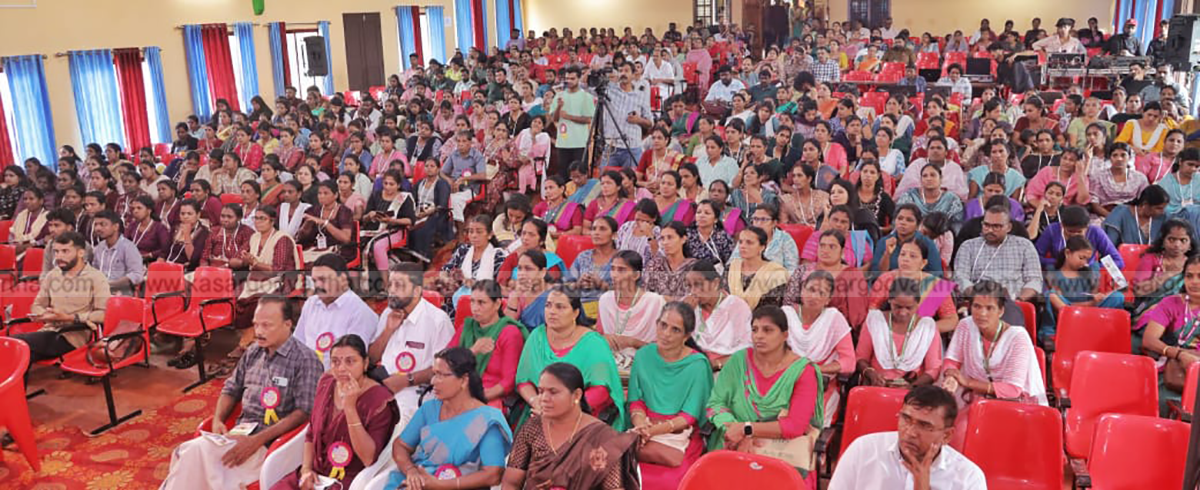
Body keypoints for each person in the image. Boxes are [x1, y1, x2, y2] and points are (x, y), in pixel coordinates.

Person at [160, 297, 322, 490]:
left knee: (211, 468)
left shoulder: (305, 360)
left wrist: (256, 441)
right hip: (238, 433)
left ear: (287, 324)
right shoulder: (253, 352)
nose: (258, 332)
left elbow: (304, 412)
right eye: (256, 325)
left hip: (270, 444)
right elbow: (231, 389)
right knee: (189, 453)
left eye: (266, 325)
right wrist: (218, 420)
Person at [705, 305, 823, 488]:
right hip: (731, 443)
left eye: (767, 330)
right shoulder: (738, 361)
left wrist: (746, 429)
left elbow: (795, 426)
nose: (759, 335)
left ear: (784, 335)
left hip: (780, 452)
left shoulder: (802, 371)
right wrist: (733, 431)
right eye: (755, 330)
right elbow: (716, 403)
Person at [265, 335, 400, 490]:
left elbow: (368, 458)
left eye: (350, 361)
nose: (341, 368)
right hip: (314, 474)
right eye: (335, 362)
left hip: (348, 481)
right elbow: (311, 432)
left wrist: (350, 408)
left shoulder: (380, 401)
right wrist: (306, 470)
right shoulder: (326, 382)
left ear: (365, 363)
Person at [372, 347, 513, 490]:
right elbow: (401, 445)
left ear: (464, 380)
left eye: (440, 375)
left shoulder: (487, 419)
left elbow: (493, 474)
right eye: (434, 374)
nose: (433, 381)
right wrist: (411, 471)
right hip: (420, 481)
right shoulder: (429, 408)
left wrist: (441, 485)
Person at [941, 281, 1048, 448]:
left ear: (1001, 311)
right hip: (972, 401)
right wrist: (951, 376)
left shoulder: (1017, 337)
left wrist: (968, 383)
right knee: (953, 435)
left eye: (989, 308)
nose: (982, 313)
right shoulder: (966, 325)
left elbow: (1012, 389)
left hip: (1010, 405)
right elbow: (952, 360)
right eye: (977, 306)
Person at [502, 362, 639, 490]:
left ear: (577, 395)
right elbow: (511, 483)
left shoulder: (603, 438)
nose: (544, 398)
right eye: (541, 391)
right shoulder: (533, 428)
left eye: (553, 392)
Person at [828, 386, 986, 490]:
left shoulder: (968, 478)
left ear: (946, 435)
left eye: (924, 426)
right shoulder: (864, 449)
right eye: (906, 419)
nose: (910, 432)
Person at [627, 302, 713, 490]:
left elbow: (689, 417)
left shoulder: (697, 365)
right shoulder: (643, 355)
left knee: (671, 482)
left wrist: (651, 432)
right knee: (617, 472)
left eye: (675, 330)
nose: (666, 333)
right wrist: (640, 425)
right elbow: (636, 400)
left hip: (681, 434)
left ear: (686, 336)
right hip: (643, 427)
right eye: (663, 325)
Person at [514, 287, 625, 428]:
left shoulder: (593, 342)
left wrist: (564, 410)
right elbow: (524, 381)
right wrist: (535, 400)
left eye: (560, 307)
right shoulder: (537, 336)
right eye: (548, 305)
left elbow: (601, 390)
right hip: (540, 411)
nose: (552, 311)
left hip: (581, 414)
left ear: (575, 313)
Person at [368, 262, 456, 428]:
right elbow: (372, 358)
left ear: (416, 290)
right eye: (390, 285)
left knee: (390, 429)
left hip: (416, 393)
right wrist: (388, 331)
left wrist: (405, 381)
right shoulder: (388, 313)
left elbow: (445, 370)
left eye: (399, 285)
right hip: (382, 387)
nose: (392, 291)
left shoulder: (437, 320)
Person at [7, 232, 109, 365]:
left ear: (81, 253)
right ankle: (16, 385)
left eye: (65, 251)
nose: (59, 256)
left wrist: (69, 318)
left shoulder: (96, 278)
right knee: (19, 355)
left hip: (73, 335)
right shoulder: (53, 275)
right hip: (49, 330)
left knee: (14, 345)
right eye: (56, 252)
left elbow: (103, 314)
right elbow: (37, 304)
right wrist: (43, 314)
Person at [292, 254, 380, 369]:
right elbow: (298, 344)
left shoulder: (359, 311)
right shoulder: (311, 303)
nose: (318, 285)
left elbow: (353, 362)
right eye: (315, 280)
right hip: (307, 376)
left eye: (323, 279)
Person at [453, 280, 527, 410]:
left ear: (497, 304)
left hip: (490, 400)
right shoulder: (466, 328)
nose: (475, 308)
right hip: (457, 393)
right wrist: (472, 351)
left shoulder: (509, 333)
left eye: (481, 303)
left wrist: (477, 397)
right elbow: (445, 362)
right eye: (472, 301)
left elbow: (508, 382)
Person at [1139, 255, 1200, 409]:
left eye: (1199, 276)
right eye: (1189, 276)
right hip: (1170, 372)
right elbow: (1149, 340)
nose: (1194, 281)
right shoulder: (1170, 303)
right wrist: (1179, 354)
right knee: (1163, 401)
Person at [858, 278, 943, 387]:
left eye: (909, 308)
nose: (903, 312)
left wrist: (911, 387)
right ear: (890, 301)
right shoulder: (875, 320)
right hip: (877, 386)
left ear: (917, 304)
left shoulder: (927, 327)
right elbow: (861, 358)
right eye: (897, 307)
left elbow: (934, 369)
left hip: (914, 391)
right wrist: (871, 374)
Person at [953, 204, 1043, 304]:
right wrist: (977, 298)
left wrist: (1019, 300)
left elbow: (1034, 280)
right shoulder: (968, 246)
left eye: (996, 226)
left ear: (1009, 227)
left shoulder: (1024, 245)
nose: (990, 230)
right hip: (978, 302)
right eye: (986, 225)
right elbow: (960, 278)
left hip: (1014, 302)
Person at [597, 250, 666, 366]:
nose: (614, 275)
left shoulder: (655, 302)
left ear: (636, 275)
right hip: (611, 363)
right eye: (612, 269)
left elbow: (665, 348)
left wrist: (632, 342)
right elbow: (598, 338)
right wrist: (605, 339)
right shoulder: (605, 300)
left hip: (647, 364)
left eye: (621, 270)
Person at [683, 258, 751, 369]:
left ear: (715, 283)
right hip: (693, 366)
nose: (693, 292)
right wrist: (684, 314)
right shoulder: (688, 305)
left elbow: (747, 352)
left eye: (698, 285)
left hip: (729, 368)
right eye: (689, 286)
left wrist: (716, 364)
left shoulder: (737, 307)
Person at [1131, 219, 1197, 322]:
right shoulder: (1151, 259)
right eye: (1171, 239)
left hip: (1186, 309)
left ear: (1190, 245)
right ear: (1163, 241)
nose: (1177, 245)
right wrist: (1167, 275)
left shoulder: (1194, 264)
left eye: (1183, 240)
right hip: (1150, 307)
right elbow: (1139, 291)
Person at [1034, 205, 1124, 270]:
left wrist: (1094, 268)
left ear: (1087, 227)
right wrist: (1057, 263)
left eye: (1079, 232)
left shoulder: (1095, 232)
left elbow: (1118, 261)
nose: (1074, 235)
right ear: (1062, 225)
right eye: (1070, 231)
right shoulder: (1052, 230)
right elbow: (1035, 258)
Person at [565, 217, 619, 317]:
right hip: (581, 311)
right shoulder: (583, 257)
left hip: (610, 311)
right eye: (594, 229)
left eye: (602, 229)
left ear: (614, 235)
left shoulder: (621, 259)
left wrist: (602, 285)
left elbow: (629, 291)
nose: (596, 233)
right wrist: (578, 283)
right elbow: (566, 286)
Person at [871, 204, 943, 275]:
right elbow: (876, 274)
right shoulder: (884, 242)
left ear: (917, 225)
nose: (903, 222)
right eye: (900, 218)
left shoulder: (927, 244)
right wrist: (887, 254)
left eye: (909, 220)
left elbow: (937, 274)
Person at [294, 181, 355, 264]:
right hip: (315, 249)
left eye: (326, 193)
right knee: (296, 260)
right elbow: (301, 238)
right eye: (319, 193)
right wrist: (307, 224)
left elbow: (346, 239)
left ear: (335, 195)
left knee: (320, 263)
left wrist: (325, 223)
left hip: (339, 250)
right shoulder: (312, 210)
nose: (321, 196)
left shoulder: (344, 211)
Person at [551, 67, 595, 180]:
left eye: (572, 78)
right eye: (567, 78)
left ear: (579, 79)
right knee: (563, 175)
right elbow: (554, 119)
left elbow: (588, 119)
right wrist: (559, 107)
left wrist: (568, 117)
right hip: (563, 142)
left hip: (579, 142)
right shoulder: (559, 96)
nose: (569, 81)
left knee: (580, 175)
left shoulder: (586, 97)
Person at [895, 164, 965, 233]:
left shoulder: (952, 200)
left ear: (941, 178)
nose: (928, 179)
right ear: (921, 180)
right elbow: (898, 220)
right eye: (925, 176)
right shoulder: (910, 196)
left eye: (933, 175)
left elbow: (957, 226)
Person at [90, 210, 146, 296]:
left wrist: (110, 285)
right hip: (99, 293)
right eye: (96, 224)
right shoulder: (98, 248)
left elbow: (137, 275)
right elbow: (94, 270)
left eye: (102, 224)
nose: (98, 228)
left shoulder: (128, 247)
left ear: (116, 227)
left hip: (121, 296)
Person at [1103, 185, 1168, 247]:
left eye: (1163, 208)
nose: (1162, 212)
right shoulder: (1121, 213)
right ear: (1145, 204)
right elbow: (1109, 245)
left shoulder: (1162, 218)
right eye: (1158, 208)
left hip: (1153, 257)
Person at [200, 203, 254, 269]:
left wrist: (222, 269)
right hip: (212, 269)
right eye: (222, 216)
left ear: (239, 218)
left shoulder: (247, 232)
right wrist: (204, 269)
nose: (225, 220)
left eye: (229, 217)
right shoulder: (214, 231)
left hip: (235, 271)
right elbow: (205, 256)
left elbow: (238, 260)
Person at [684, 200, 735, 267]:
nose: (701, 216)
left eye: (707, 213)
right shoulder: (687, 235)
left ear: (715, 219)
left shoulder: (723, 237)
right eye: (698, 212)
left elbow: (730, 262)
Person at [124, 195, 171, 260]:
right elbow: (124, 242)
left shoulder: (159, 227)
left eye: (139, 208)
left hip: (148, 261)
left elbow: (165, 249)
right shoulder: (132, 225)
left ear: (149, 210)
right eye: (133, 209)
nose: (135, 211)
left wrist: (149, 255)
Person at [9, 188, 49, 255]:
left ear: (41, 201)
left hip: (35, 252)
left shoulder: (47, 217)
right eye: (25, 199)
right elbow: (11, 234)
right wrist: (13, 245)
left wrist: (27, 246)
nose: (27, 201)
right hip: (16, 249)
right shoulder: (21, 215)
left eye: (31, 199)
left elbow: (45, 239)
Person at [1161, 148, 1200, 216]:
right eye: (1190, 164)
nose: (1193, 169)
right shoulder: (1165, 182)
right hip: (1170, 220)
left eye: (1197, 166)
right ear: (1180, 161)